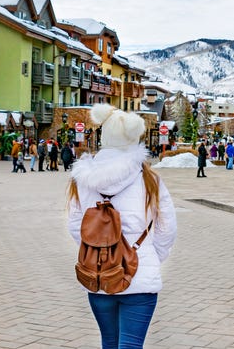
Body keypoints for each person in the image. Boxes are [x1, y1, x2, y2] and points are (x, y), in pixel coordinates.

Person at [67, 104, 177, 349]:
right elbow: (167, 227)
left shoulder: (81, 178)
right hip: (140, 276)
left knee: (109, 342)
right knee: (130, 344)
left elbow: (75, 225)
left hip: (97, 274)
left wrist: (97, 250)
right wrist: (148, 256)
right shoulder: (150, 179)